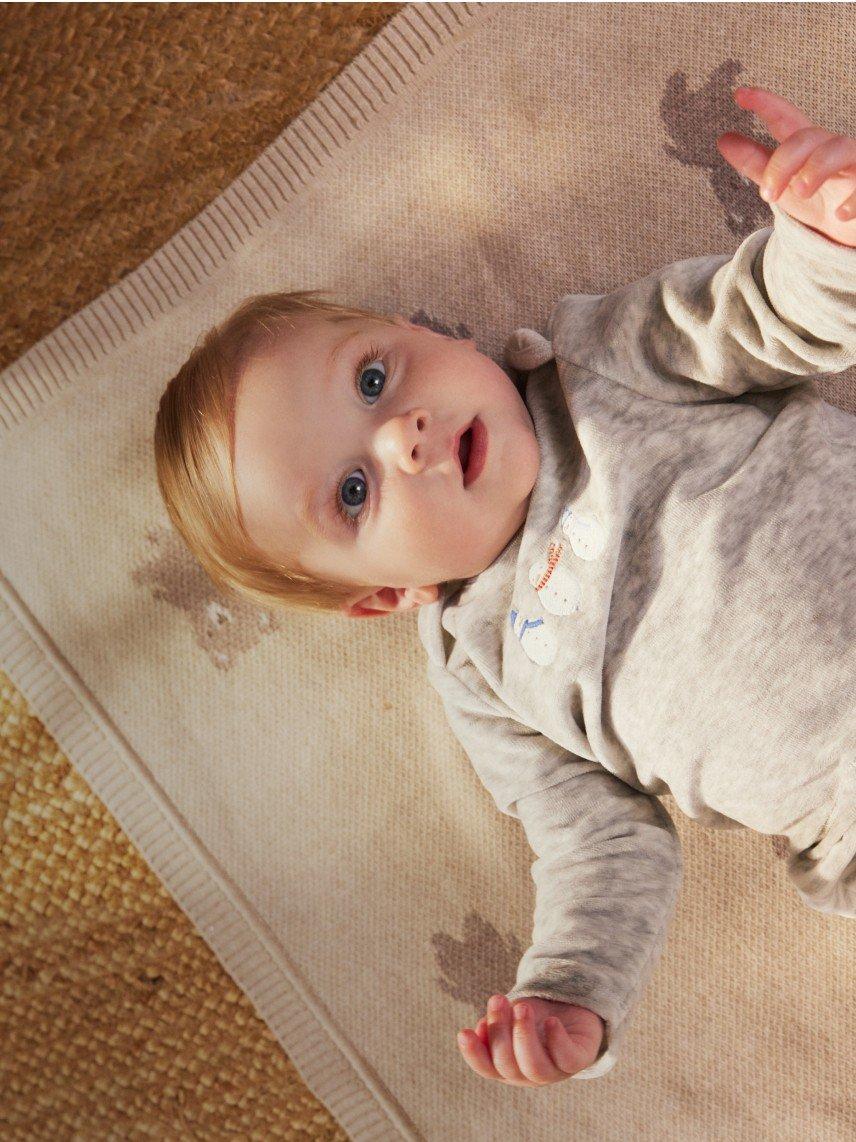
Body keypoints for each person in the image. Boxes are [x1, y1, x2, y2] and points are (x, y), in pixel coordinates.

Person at [153, 87, 856, 1085]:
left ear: (422, 330)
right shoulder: (485, 676)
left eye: (372, 379)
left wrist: (825, 238)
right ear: (381, 597)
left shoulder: (607, 359)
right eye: (354, 490)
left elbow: (768, 318)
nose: (403, 433)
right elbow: (597, 844)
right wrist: (569, 987)